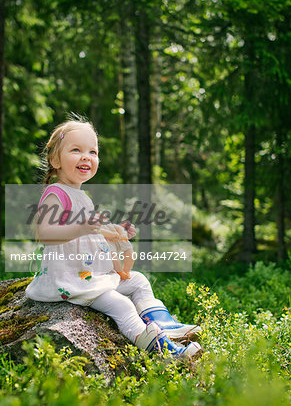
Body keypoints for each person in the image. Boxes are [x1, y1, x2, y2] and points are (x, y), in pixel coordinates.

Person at [25, 116, 201, 358]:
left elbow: (90, 232)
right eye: (76, 150)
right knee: (121, 305)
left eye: (92, 152)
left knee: (139, 281)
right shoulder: (56, 193)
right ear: (55, 160)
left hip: (89, 274)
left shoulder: (82, 196)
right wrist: (80, 228)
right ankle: (164, 353)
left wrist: (116, 231)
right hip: (69, 280)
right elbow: (46, 234)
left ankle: (166, 326)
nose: (86, 156)